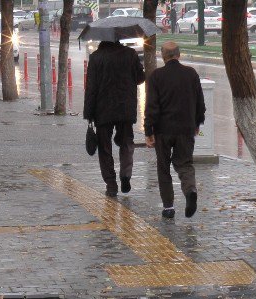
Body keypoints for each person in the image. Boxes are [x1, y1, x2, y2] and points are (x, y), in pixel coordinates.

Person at [144, 41, 205, 219]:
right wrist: (197, 123)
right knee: (185, 164)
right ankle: (190, 190)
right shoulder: (191, 74)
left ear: (163, 56)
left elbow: (152, 107)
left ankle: (168, 207)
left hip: (163, 130)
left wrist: (149, 131)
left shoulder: (157, 76)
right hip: (186, 128)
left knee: (163, 167)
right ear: (179, 55)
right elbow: (200, 102)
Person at [83, 40, 145, 197]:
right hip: (125, 108)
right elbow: (140, 78)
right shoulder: (130, 54)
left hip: (102, 110)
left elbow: (91, 87)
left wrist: (89, 113)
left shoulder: (96, 57)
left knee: (105, 148)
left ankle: (111, 184)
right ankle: (125, 175)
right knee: (126, 142)